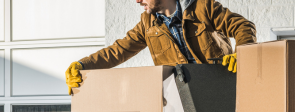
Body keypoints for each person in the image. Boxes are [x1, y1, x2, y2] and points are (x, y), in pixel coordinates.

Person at [65, 0, 256, 95]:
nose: (137, 0)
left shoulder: (203, 7)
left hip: (221, 92)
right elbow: (119, 50)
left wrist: (243, 53)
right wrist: (83, 65)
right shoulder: (147, 24)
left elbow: (242, 26)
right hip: (184, 100)